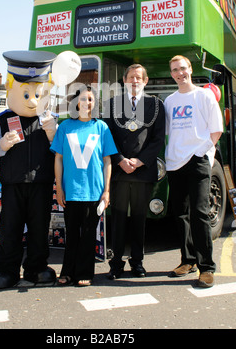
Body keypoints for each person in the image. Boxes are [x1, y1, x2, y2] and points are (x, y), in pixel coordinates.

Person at [0, 50, 58, 289]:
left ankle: (36, 268)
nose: (32, 100)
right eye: (27, 93)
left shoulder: (51, 118)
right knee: (10, 228)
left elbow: (61, 152)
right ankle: (7, 270)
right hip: (13, 182)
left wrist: (53, 133)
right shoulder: (3, 119)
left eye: (37, 93)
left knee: (40, 227)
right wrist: (3, 144)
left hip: (40, 181)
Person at [164, 55, 223, 288]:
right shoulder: (169, 101)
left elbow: (216, 130)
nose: (179, 73)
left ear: (190, 69)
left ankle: (206, 267)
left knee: (199, 213)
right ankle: (187, 260)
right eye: (175, 70)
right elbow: (167, 132)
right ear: (172, 74)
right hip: (175, 162)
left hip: (198, 160)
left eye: (182, 68)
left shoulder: (205, 95)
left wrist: (201, 153)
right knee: (180, 214)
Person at [50, 86, 117, 286]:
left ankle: (85, 273)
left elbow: (107, 161)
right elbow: (58, 159)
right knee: (71, 234)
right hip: (70, 190)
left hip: (93, 191)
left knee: (88, 235)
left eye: (90, 99)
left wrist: (106, 191)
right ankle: (67, 272)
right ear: (75, 103)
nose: (87, 103)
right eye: (83, 99)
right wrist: (59, 187)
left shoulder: (102, 128)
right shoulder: (65, 127)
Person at [104, 64, 165, 279]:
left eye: (139, 77)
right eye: (131, 77)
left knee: (139, 219)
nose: (135, 80)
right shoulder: (111, 105)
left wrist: (140, 161)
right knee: (118, 219)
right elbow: (107, 136)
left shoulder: (156, 105)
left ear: (145, 81)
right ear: (124, 80)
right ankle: (116, 264)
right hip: (119, 172)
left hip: (142, 171)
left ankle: (137, 262)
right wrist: (120, 160)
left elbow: (158, 139)